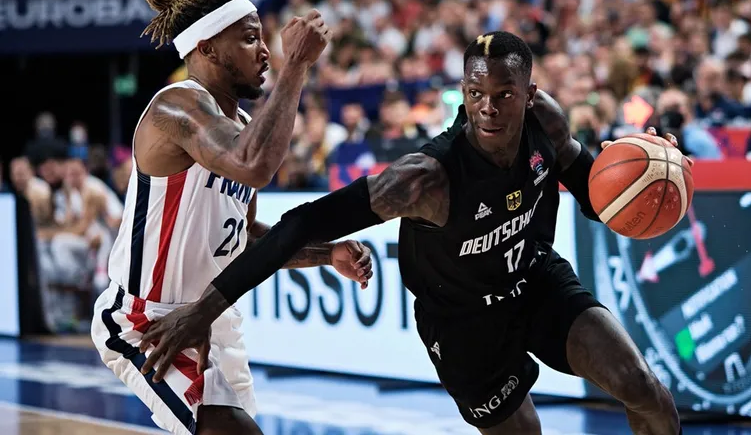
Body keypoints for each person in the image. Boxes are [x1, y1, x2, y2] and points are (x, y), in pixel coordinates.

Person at [139, 31, 684, 435]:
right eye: (476, 92)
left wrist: (647, 177)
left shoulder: (548, 122)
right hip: (461, 321)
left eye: (504, 94)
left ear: (529, 93)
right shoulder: (425, 179)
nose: (488, 107)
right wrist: (204, 310)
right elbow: (299, 224)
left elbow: (596, 198)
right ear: (463, 91)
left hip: (535, 281)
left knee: (643, 388)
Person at [90, 0, 373, 435]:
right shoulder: (176, 108)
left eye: (262, 39)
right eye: (249, 38)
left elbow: (244, 238)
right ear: (206, 48)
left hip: (213, 320)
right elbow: (254, 165)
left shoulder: (240, 125)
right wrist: (296, 65)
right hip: (148, 319)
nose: (265, 52)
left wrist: (327, 254)